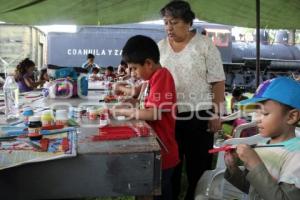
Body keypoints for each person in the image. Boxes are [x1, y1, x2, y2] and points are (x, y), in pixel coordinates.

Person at [158, 1, 226, 200]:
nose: (169, 27)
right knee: (171, 166)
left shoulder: (205, 45)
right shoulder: (160, 47)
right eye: (166, 22)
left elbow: (218, 82)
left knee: (199, 167)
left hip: (200, 114)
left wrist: (216, 114)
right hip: (168, 116)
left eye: (174, 22)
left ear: (188, 22)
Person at [110, 35, 179, 200]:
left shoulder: (162, 77)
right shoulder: (150, 80)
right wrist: (130, 102)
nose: (131, 72)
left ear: (148, 63)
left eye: (133, 68)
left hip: (162, 153)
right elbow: (143, 102)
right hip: (151, 149)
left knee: (157, 193)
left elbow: (153, 113)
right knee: (144, 188)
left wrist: (124, 111)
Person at [224, 77, 300, 200]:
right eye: (256, 112)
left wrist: (255, 164)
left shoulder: (296, 156)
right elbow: (256, 188)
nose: (256, 119)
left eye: (265, 114)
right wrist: (233, 169)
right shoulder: (264, 144)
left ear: (292, 116)